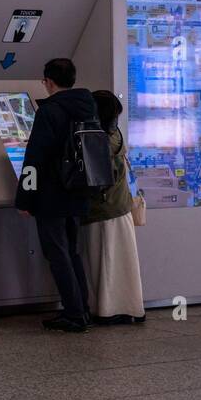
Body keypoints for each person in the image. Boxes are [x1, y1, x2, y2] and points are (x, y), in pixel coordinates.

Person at [15, 57, 100, 332]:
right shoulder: (88, 107)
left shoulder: (48, 111)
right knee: (72, 252)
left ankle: (73, 314)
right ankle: (82, 309)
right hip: (79, 189)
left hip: (52, 195)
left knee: (57, 253)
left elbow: (34, 158)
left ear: (48, 81)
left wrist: (25, 198)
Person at [80, 90, 145, 324]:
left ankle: (107, 310)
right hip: (120, 207)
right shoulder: (114, 132)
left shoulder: (98, 139)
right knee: (121, 263)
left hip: (104, 211)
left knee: (105, 263)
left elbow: (95, 179)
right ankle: (129, 307)